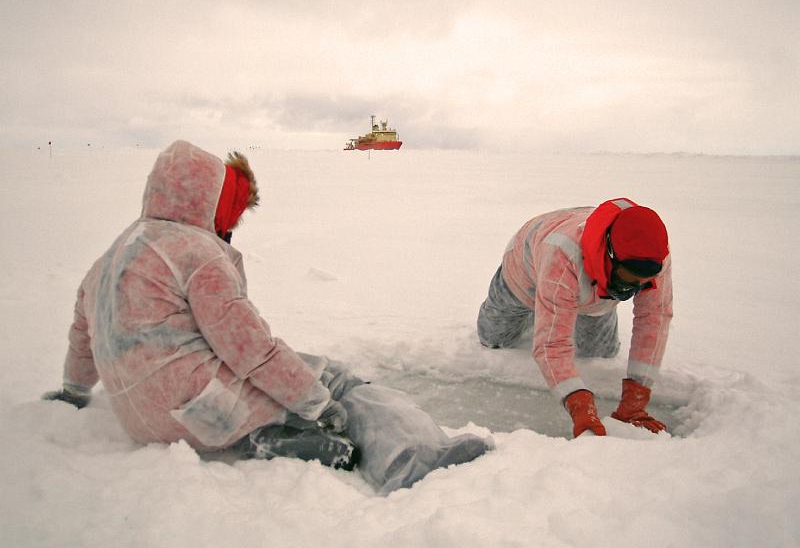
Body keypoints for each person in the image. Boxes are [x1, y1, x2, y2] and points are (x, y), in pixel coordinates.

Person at [43, 140, 490, 494]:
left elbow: (82, 337)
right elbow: (249, 348)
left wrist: (73, 391)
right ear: (208, 199)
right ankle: (413, 459)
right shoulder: (195, 253)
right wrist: (316, 401)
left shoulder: (110, 255)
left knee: (291, 385)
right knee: (337, 381)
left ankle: (269, 439)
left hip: (140, 418)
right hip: (204, 408)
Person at [477, 198, 673, 438]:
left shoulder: (654, 256)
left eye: (641, 285)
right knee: (495, 338)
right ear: (611, 255)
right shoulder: (560, 254)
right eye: (627, 280)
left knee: (599, 354)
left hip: (591, 292)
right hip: (525, 275)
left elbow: (654, 317)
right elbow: (551, 345)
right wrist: (578, 403)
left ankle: (560, 308)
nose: (632, 291)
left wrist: (637, 395)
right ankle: (540, 312)